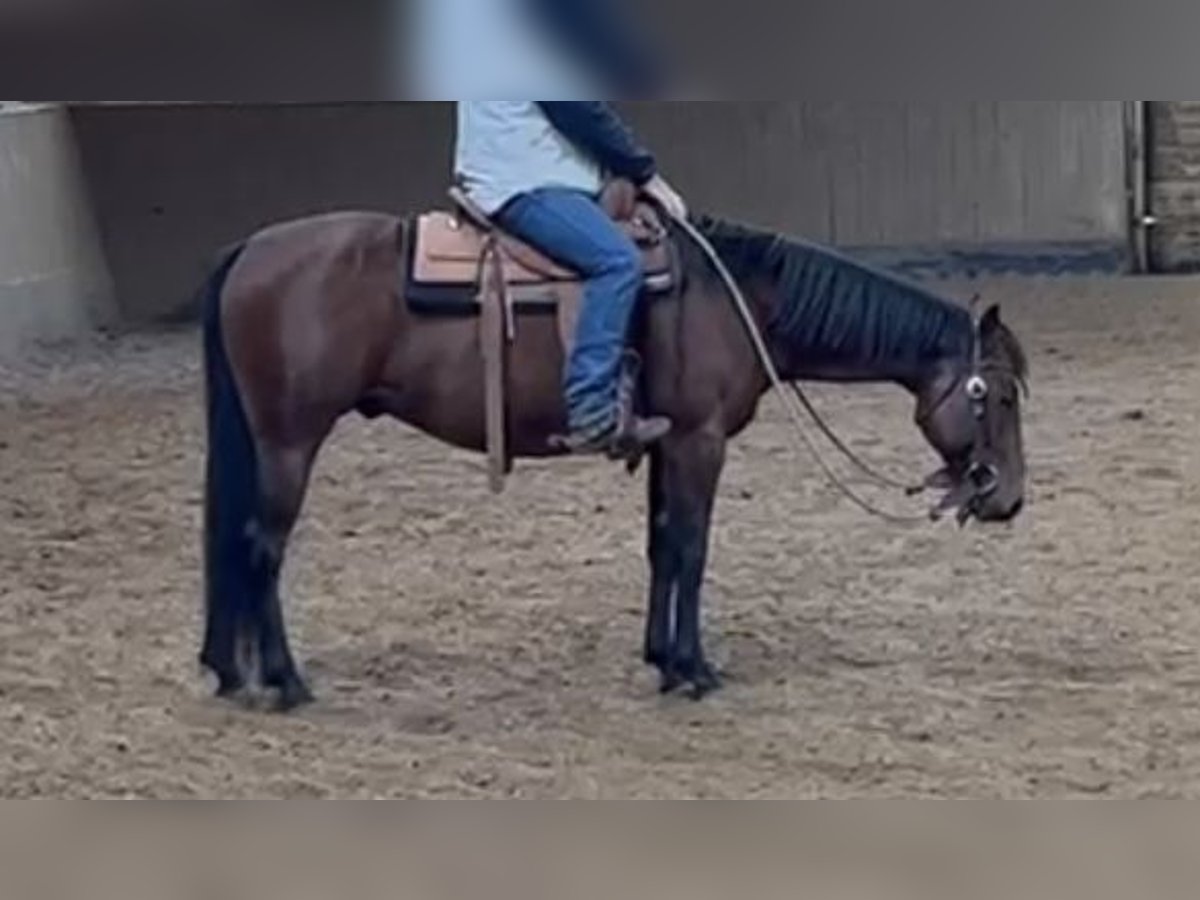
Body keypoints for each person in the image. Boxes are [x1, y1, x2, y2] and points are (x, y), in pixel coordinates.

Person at [456, 100, 688, 454]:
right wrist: (645, 173)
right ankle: (591, 408)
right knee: (617, 262)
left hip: (525, 174)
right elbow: (576, 110)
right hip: (526, 183)